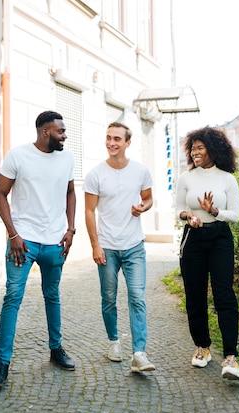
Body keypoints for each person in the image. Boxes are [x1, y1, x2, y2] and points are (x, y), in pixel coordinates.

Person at [0, 110, 77, 387]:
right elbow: (0, 195)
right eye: (60, 131)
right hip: (22, 244)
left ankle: (56, 349)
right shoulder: (18, 156)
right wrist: (13, 233)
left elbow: (70, 192)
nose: (65, 135)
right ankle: (2, 366)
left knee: (53, 296)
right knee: (12, 299)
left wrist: (71, 228)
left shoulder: (67, 157)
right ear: (45, 132)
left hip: (54, 244)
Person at [83, 121, 156, 373]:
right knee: (109, 299)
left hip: (134, 245)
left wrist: (142, 208)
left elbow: (148, 199)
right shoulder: (95, 174)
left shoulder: (141, 171)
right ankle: (114, 342)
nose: (111, 143)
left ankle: (139, 353)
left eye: (117, 138)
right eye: (108, 138)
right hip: (108, 247)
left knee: (137, 297)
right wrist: (95, 245)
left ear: (127, 143)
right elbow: (89, 211)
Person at [174, 126, 239, 380]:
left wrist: (214, 212)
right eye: (193, 148)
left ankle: (231, 357)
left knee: (224, 294)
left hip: (220, 238)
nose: (195, 152)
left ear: (214, 149)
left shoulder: (227, 179)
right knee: (195, 295)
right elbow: (178, 209)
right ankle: (202, 347)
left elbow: (234, 215)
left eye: (200, 147)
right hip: (193, 238)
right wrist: (188, 216)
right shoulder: (186, 178)